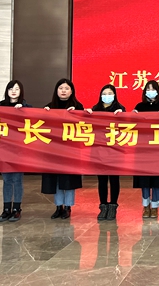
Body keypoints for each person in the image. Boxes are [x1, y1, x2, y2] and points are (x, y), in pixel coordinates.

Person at [43, 78, 84, 220]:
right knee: (56, 179)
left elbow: (84, 126)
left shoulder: (78, 106)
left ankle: (68, 207)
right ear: (56, 91)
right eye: (61, 88)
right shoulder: (49, 107)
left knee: (68, 179)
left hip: (70, 150)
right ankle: (58, 206)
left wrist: (76, 113)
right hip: (54, 150)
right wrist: (44, 114)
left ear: (71, 91)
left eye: (67, 88)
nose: (63, 91)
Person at [0, 80, 32, 222]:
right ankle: (6, 209)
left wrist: (23, 110)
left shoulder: (27, 107)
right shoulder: (0, 106)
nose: (14, 91)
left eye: (17, 89)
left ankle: (16, 208)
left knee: (17, 180)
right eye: (11, 89)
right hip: (4, 149)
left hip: (19, 150)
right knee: (6, 180)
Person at [87, 84, 125, 221]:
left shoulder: (120, 109)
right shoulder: (95, 109)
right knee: (102, 179)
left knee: (114, 179)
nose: (107, 96)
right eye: (104, 93)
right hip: (99, 149)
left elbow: (126, 127)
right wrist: (86, 114)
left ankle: (113, 206)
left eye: (110, 93)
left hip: (114, 150)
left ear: (114, 95)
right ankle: (103, 206)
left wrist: (122, 115)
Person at [133, 80, 159, 219]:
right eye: (148, 89)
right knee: (143, 178)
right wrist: (132, 116)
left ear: (158, 91)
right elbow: (133, 125)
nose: (150, 92)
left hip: (157, 148)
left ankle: (155, 206)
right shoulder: (139, 106)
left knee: (157, 178)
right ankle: (145, 205)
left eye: (153, 89)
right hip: (142, 148)